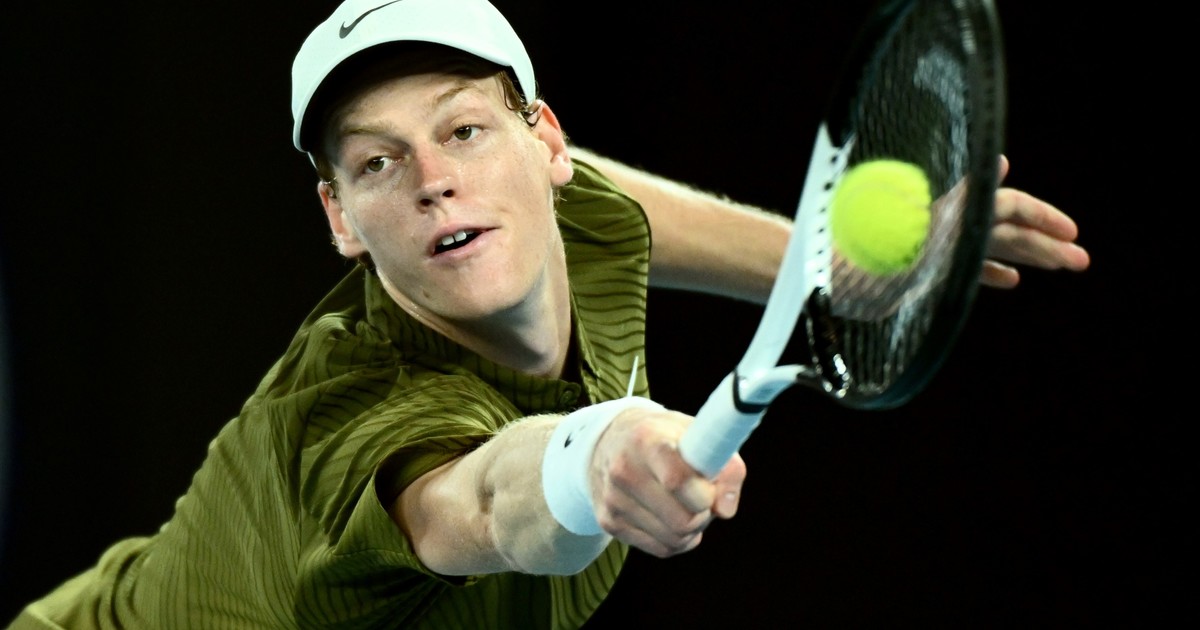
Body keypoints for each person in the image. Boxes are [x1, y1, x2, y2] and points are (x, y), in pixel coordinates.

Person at [7, 0, 1090, 628]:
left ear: (548, 141)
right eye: (378, 163)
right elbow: (484, 501)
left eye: (464, 130)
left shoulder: (566, 213)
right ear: (339, 218)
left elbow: (608, 200)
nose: (436, 180)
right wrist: (598, 455)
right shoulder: (355, 415)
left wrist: (834, 270)